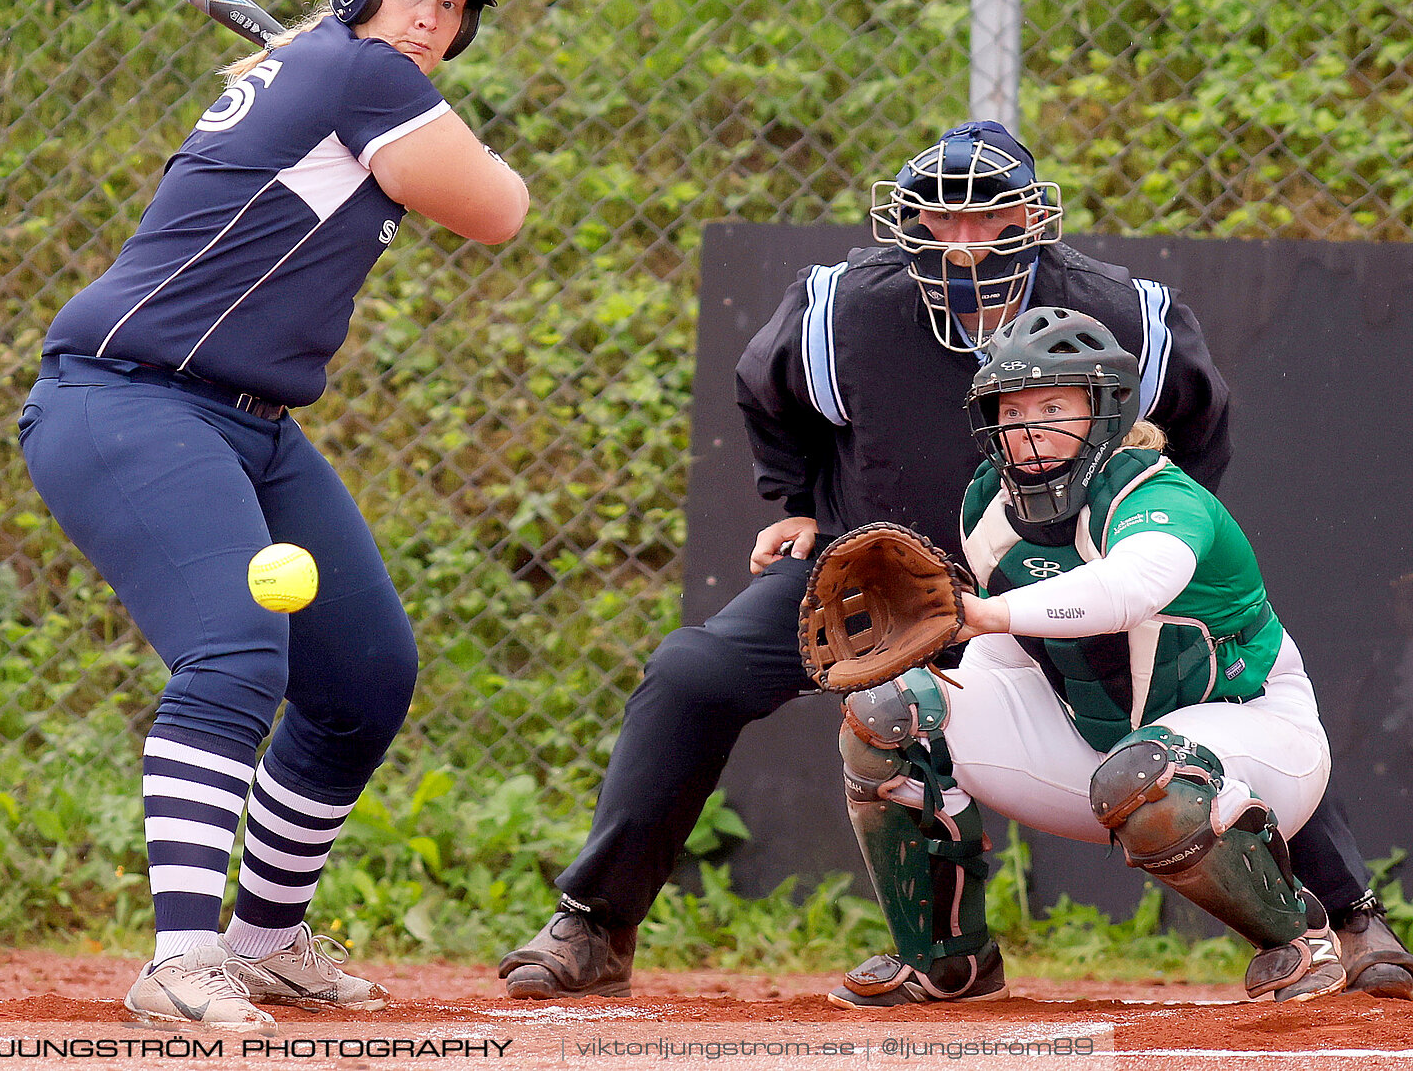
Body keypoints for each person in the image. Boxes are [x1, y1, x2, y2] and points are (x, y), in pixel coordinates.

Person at [497, 121, 1412, 1000]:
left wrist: (1142, 530)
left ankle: (1351, 915)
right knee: (694, 672)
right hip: (883, 573)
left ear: (1034, 219)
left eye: (989, 217)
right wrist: (802, 504)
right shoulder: (846, 308)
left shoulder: (1119, 311)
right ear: (907, 219)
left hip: (1050, 574)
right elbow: (768, 394)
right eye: (940, 216)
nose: (964, 241)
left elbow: (1198, 420)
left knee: (1201, 688)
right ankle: (595, 923)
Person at [21, 0, 528, 1030]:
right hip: (126, 399)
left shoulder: (341, 79)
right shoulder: (360, 79)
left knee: (363, 675)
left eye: (450, 6)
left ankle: (265, 941)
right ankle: (182, 958)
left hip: (248, 419)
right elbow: (500, 208)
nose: (427, 22)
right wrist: (438, 119)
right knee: (237, 651)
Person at [830, 307, 1343, 1005]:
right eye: (1011, 409)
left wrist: (985, 614)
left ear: (1104, 410)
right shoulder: (988, 504)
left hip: (1255, 741)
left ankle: (1298, 940)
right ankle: (947, 961)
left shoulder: (1154, 491)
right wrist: (940, 685)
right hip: (1099, 754)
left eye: (1052, 405)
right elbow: (1010, 664)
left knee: (1149, 775)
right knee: (890, 714)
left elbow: (1131, 588)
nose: (1028, 426)